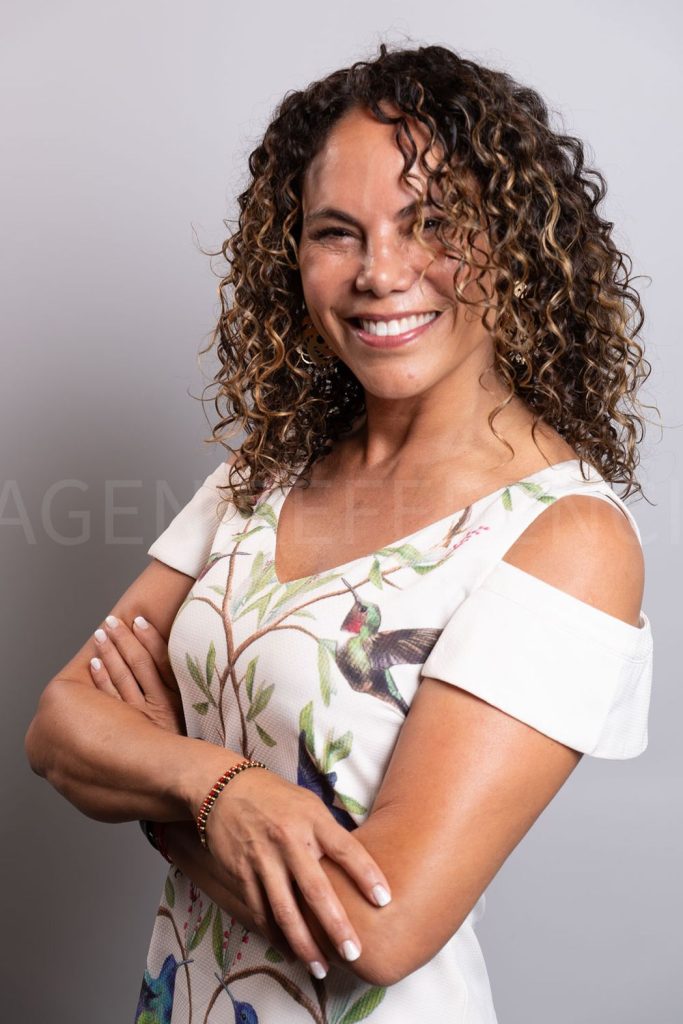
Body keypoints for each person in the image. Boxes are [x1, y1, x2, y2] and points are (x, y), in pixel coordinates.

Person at [25, 42, 654, 1023]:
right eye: (335, 232)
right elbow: (59, 726)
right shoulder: (262, 473)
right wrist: (215, 785)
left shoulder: (565, 536)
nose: (379, 272)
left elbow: (377, 927)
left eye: (431, 222)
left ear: (516, 244)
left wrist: (153, 795)